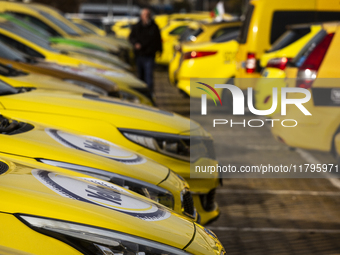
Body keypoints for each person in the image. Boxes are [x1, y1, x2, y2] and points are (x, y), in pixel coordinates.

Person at [129, 8, 162, 101]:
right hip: (139, 55)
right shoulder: (136, 26)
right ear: (141, 16)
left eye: (148, 15)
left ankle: (150, 95)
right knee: (141, 76)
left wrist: (159, 50)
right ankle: (142, 95)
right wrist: (135, 43)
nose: (146, 16)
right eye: (145, 15)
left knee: (149, 77)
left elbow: (157, 39)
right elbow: (131, 37)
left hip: (149, 55)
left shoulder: (154, 27)